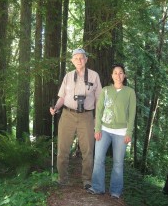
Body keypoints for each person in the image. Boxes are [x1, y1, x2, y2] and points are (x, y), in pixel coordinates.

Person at [49, 48, 102, 189]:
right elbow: (62, 97)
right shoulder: (67, 76)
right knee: (63, 149)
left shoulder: (94, 76)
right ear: (72, 61)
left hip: (87, 116)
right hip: (67, 115)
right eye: (76, 58)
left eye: (82, 58)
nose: (79, 60)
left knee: (88, 150)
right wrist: (55, 107)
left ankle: (87, 180)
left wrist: (98, 118)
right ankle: (62, 179)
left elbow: (99, 100)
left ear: (86, 59)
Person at [87, 63, 136, 199]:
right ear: (111, 75)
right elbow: (99, 110)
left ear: (124, 75)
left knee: (118, 163)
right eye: (115, 72)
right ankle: (97, 187)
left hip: (121, 132)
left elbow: (132, 114)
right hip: (104, 130)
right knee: (98, 159)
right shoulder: (106, 90)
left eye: (121, 73)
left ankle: (115, 191)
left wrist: (129, 132)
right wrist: (97, 128)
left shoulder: (130, 92)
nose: (118, 75)